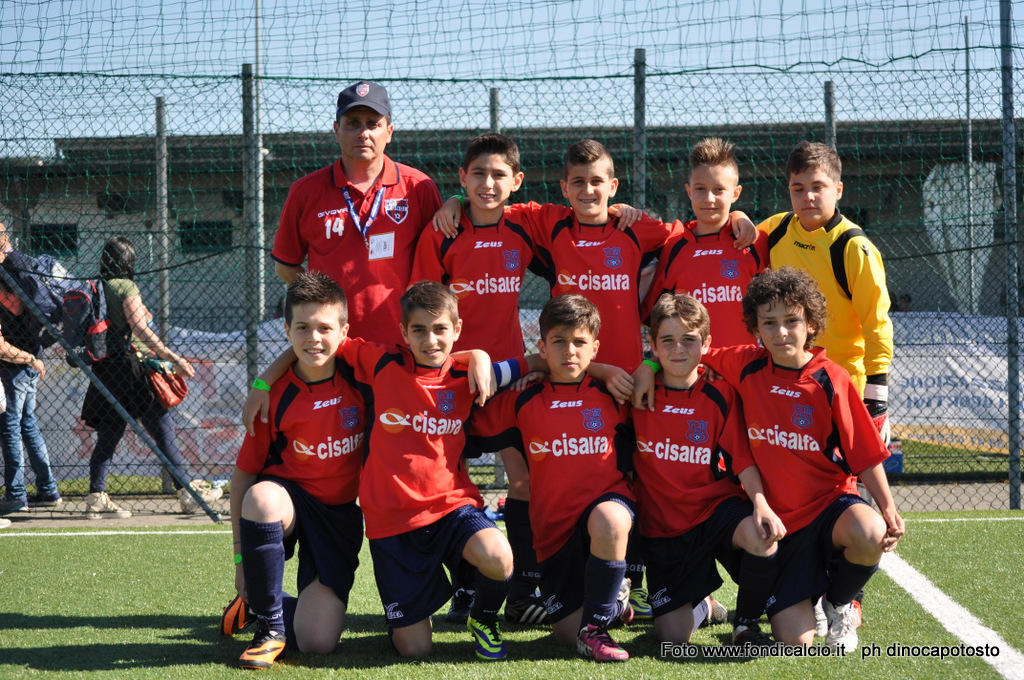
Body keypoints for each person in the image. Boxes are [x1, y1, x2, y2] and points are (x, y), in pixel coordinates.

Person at [244, 280, 528, 661]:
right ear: (403, 333)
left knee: (499, 554)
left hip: (450, 510)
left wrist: (476, 355)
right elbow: (312, 340)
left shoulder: (468, 376)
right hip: (392, 525)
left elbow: (531, 363)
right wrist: (262, 381)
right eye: (419, 330)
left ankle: (484, 616)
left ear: (456, 330)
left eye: (441, 329)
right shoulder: (380, 364)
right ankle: (267, 613)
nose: (430, 339)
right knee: (414, 649)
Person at [643, 267, 905, 651]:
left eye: (791, 321)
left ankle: (838, 603)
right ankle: (785, 602)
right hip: (781, 525)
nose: (781, 332)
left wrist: (888, 506)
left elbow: (864, 452)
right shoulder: (744, 364)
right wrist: (648, 366)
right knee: (795, 641)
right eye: (769, 323)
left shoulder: (832, 379)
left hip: (828, 506)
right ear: (755, 328)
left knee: (871, 532)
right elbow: (684, 350)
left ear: (811, 324)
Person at [411, 133, 548, 626]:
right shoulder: (443, 232)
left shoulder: (526, 225)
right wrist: (451, 204)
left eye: (498, 175)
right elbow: (423, 304)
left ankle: (524, 588)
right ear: (463, 179)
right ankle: (465, 590)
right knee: (450, 485)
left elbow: (581, 225)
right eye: (478, 175)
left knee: (525, 479)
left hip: (509, 378)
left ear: (516, 182)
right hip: (453, 382)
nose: (488, 184)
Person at [469, 294, 637, 663]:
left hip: (607, 510)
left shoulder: (614, 395)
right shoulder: (522, 400)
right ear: (542, 347)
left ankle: (598, 627)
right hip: (554, 534)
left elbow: (669, 373)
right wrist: (512, 364)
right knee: (565, 635)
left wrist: (608, 371)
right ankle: (613, 603)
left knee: (609, 519)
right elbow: (467, 411)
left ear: (595, 347)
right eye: (558, 342)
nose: (569, 352)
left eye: (579, 342)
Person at [226, 271, 366, 670]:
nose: (314, 338)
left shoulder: (364, 381)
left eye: (325, 327)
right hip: (288, 501)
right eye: (302, 327)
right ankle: (269, 626)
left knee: (316, 642)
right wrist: (239, 561)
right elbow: (242, 478)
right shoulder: (274, 397)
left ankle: (260, 600)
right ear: (286, 329)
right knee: (261, 498)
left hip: (338, 516)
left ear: (344, 331)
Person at [630, 293, 784, 646]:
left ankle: (745, 624)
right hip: (664, 528)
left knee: (761, 536)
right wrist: (646, 369)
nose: (678, 349)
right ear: (652, 345)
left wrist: (760, 504)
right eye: (667, 341)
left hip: (715, 510)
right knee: (672, 638)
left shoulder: (720, 394)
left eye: (689, 340)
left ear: (707, 344)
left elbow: (742, 459)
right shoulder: (635, 395)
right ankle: (703, 605)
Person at [270, 80, 443, 346]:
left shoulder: (418, 187)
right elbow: (285, 265)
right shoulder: (305, 191)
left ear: (390, 131)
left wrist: (456, 199)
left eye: (373, 124)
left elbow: (440, 260)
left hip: (404, 342)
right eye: (353, 123)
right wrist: (321, 303)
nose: (363, 133)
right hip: (332, 345)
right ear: (336, 130)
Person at [757, 141, 893, 440]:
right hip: (788, 384)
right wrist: (740, 217)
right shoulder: (776, 229)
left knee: (850, 482)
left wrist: (877, 397)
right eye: (798, 188)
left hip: (845, 389)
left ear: (838, 190)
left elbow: (877, 324)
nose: (808, 196)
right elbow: (735, 237)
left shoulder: (854, 248)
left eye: (818, 186)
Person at [81, 237, 221, 519]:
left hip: (107, 369)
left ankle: (96, 495)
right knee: (162, 427)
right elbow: (141, 330)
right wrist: (173, 357)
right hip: (135, 370)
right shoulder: (126, 286)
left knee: (109, 431)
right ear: (128, 261)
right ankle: (187, 493)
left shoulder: (95, 285)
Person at [642, 137, 768, 348]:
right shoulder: (673, 245)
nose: (709, 198)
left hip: (746, 368)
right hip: (692, 373)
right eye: (700, 189)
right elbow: (654, 317)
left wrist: (739, 215)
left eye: (719, 189)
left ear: (735, 193)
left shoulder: (755, 241)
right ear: (689, 191)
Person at [0, 222, 62, 515]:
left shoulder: (10, 270)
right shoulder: (23, 265)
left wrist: (26, 357)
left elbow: (13, 310)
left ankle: (15, 495)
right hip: (31, 354)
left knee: (10, 426)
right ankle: (48, 488)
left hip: (17, 360)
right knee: (26, 424)